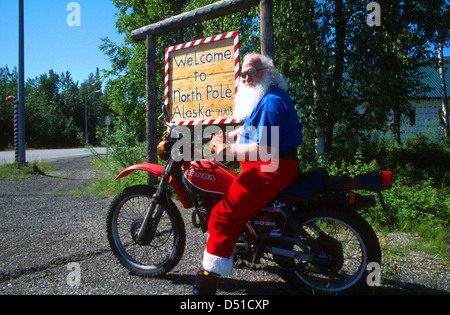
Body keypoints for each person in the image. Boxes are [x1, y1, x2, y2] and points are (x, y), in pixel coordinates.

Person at [193, 53, 303, 295]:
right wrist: (229, 135)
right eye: (243, 73)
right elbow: (251, 126)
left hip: (270, 168)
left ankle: (206, 286)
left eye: (253, 72)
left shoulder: (272, 102)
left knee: (222, 216)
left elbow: (263, 149)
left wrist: (226, 150)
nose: (246, 77)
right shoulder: (268, 98)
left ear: (269, 73)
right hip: (271, 166)